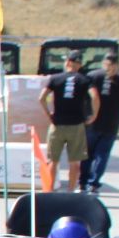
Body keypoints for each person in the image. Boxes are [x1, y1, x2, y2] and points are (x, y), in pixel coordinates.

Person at [42, 50, 100, 190]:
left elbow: (41, 98)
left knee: (52, 161)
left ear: (67, 62)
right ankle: (71, 191)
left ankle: (49, 191)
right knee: (74, 163)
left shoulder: (55, 78)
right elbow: (95, 96)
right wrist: (94, 115)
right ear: (79, 65)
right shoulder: (85, 79)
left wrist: (48, 114)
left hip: (57, 124)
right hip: (76, 125)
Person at [83, 52, 119, 193]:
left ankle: (83, 182)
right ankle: (93, 183)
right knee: (102, 154)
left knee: (87, 154)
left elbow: (84, 96)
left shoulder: (93, 75)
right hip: (111, 123)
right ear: (117, 65)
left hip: (92, 121)